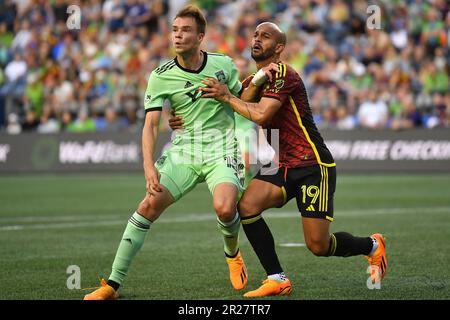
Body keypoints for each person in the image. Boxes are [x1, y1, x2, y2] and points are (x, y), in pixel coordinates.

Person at [197, 22, 388, 297]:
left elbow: (260, 114)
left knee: (318, 246)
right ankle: (276, 278)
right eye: (255, 35)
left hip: (312, 165)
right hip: (283, 163)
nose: (256, 39)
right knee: (247, 206)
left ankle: (372, 245)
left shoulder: (286, 74)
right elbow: (244, 100)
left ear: (279, 47)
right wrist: (256, 80)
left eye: (265, 36)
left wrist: (227, 95)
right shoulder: (257, 79)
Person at [84, 5, 249, 300]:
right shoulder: (160, 75)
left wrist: (247, 131)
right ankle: (112, 285)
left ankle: (232, 253)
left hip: (221, 149)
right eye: (175, 30)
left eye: (185, 30)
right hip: (183, 152)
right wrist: (148, 167)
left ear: (200, 37)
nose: (178, 35)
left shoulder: (224, 65)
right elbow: (150, 125)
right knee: (148, 206)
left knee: (225, 208)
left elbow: (240, 101)